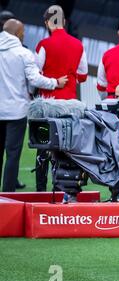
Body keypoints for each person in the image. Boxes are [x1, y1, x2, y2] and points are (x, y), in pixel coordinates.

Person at [0, 19, 67, 192]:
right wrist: (55, 82)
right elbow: (34, 79)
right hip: (17, 111)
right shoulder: (23, 53)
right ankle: (8, 196)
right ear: (17, 33)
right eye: (22, 32)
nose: (23, 35)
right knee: (13, 155)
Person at [34, 5, 88, 192]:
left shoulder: (43, 45)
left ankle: (41, 189)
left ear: (47, 23)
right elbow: (83, 75)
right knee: (65, 149)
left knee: (42, 148)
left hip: (47, 105)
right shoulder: (78, 44)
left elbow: (35, 75)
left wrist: (52, 80)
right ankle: (62, 188)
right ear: (64, 21)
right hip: (69, 105)